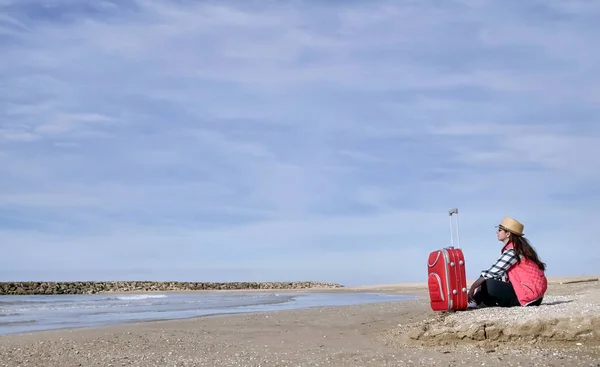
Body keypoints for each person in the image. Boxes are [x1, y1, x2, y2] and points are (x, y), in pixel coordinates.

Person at [467, 216, 547, 308]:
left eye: (500, 230)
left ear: (508, 233)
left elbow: (491, 272)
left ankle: (473, 301)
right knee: (492, 282)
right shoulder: (519, 249)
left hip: (528, 296)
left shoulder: (513, 251)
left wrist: (472, 288)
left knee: (487, 283)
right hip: (534, 296)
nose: (497, 232)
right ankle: (476, 301)